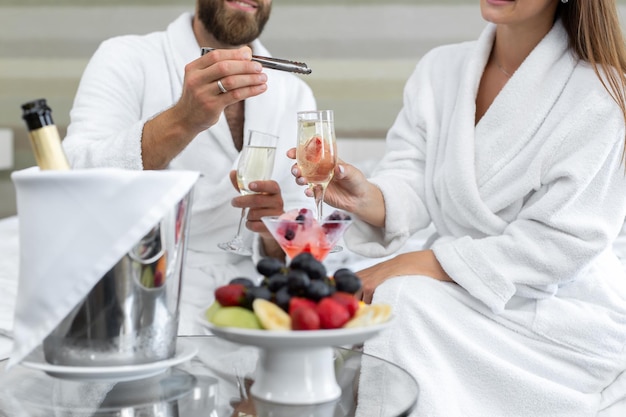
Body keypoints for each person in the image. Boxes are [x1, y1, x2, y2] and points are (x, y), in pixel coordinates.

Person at [290, 0, 626, 415]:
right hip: (457, 285)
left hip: (552, 304)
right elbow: (410, 177)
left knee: (401, 299)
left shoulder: (599, 94)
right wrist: (364, 196)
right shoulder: (441, 69)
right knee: (354, 307)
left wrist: (415, 262)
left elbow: (561, 245)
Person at [62, 0, 316, 334]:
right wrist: (183, 119)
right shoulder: (124, 57)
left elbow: (305, 232)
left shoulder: (293, 93)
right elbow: (75, 176)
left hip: (250, 300)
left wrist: (271, 232)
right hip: (141, 286)